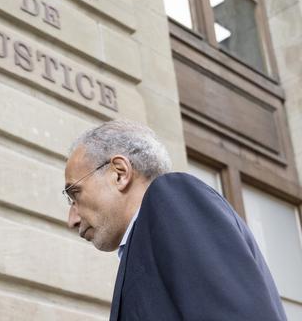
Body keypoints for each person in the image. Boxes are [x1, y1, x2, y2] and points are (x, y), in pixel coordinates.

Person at [64, 120, 286, 320]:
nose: (72, 219)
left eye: (75, 193)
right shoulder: (144, 244)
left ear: (119, 173)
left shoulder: (173, 199)